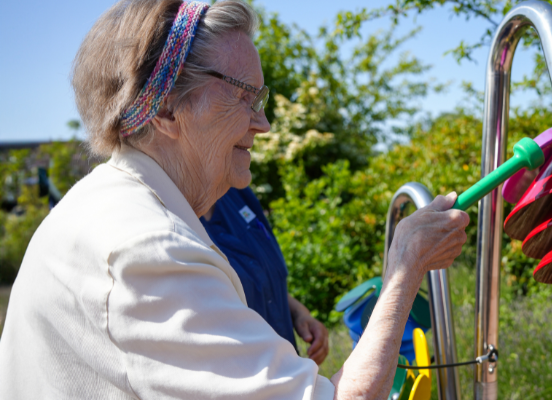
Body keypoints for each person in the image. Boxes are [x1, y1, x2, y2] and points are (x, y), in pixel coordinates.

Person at [0, 1, 469, 399]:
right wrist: (405, 267)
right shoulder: (146, 248)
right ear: (165, 107)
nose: (263, 123)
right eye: (246, 96)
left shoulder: (112, 209)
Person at [201, 186, 329, 364]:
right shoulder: (173, 217)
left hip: (290, 373)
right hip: (246, 379)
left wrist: (300, 313)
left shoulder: (235, 192)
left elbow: (259, 278)